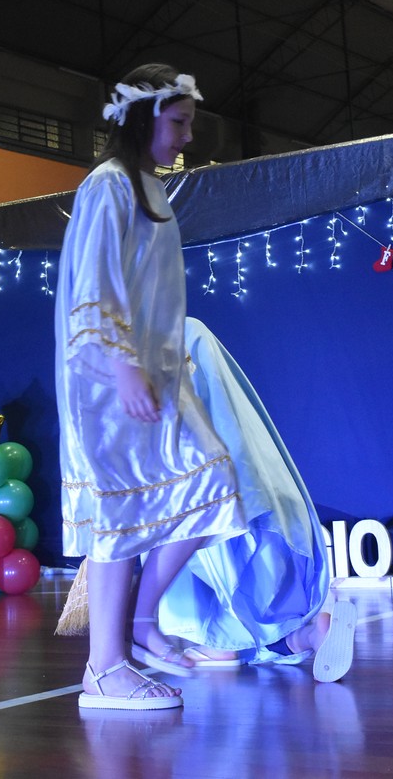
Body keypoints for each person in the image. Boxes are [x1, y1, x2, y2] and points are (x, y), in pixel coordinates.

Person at [54, 64, 248, 710]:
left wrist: (162, 362)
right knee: (118, 512)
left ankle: (139, 624)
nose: (187, 137)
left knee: (211, 482)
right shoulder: (107, 186)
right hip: (110, 381)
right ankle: (104, 667)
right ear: (145, 118)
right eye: (179, 122)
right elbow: (93, 285)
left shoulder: (149, 189)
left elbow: (150, 293)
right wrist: (122, 365)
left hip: (153, 373)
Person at [156, 317, 356, 683]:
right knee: (267, 610)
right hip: (262, 513)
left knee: (190, 547)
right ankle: (309, 635)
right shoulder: (249, 445)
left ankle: (219, 644)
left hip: (206, 498)